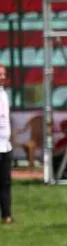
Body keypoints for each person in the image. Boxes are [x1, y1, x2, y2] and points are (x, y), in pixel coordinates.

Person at [0, 65, 10, 225]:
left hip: (5, 145)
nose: (2, 77)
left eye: (3, 74)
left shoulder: (4, 93)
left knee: (5, 182)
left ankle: (7, 215)